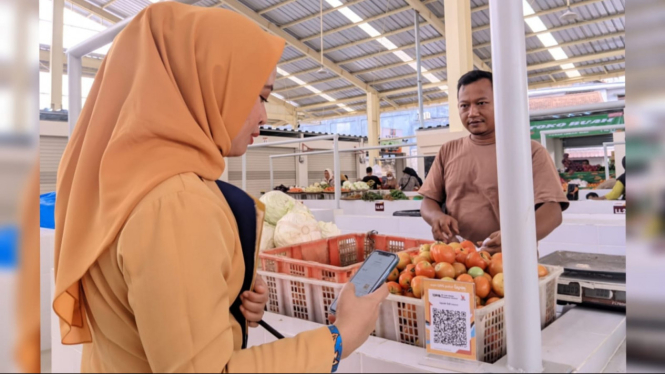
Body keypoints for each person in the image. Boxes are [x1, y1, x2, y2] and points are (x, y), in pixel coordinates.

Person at [52, 3, 386, 373]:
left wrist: (226, 300)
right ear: (207, 83)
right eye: (259, 95)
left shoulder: (123, 179)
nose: (264, 115)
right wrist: (341, 337)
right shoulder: (175, 202)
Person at [419, 70, 568, 253]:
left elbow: (553, 211)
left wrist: (517, 235)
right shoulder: (448, 151)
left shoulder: (529, 151)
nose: (472, 113)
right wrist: (436, 217)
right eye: (464, 105)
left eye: (481, 103)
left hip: (512, 261)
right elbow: (428, 201)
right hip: (456, 261)